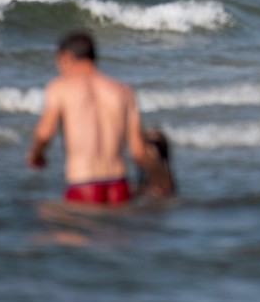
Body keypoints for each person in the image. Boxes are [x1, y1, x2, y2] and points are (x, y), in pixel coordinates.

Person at [27, 31, 174, 205]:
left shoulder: (60, 88)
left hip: (83, 185)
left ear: (65, 57)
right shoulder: (122, 92)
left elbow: (44, 134)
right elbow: (138, 152)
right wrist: (163, 178)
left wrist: (36, 154)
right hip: (118, 186)